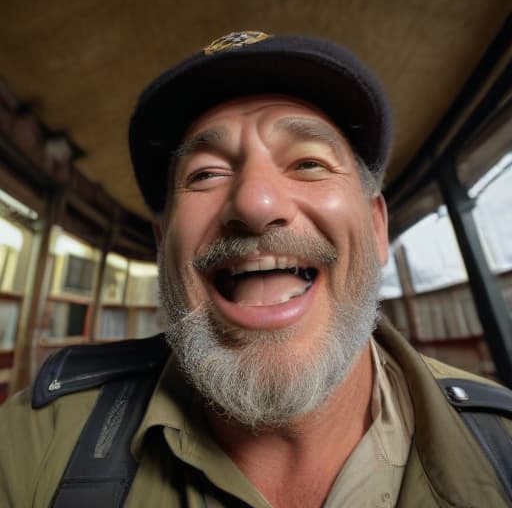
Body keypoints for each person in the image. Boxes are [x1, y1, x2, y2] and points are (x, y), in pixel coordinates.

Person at [1, 31, 511, 508]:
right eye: (206, 174)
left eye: (308, 163)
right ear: (163, 247)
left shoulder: (502, 444)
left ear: (377, 228)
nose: (255, 201)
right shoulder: (35, 441)